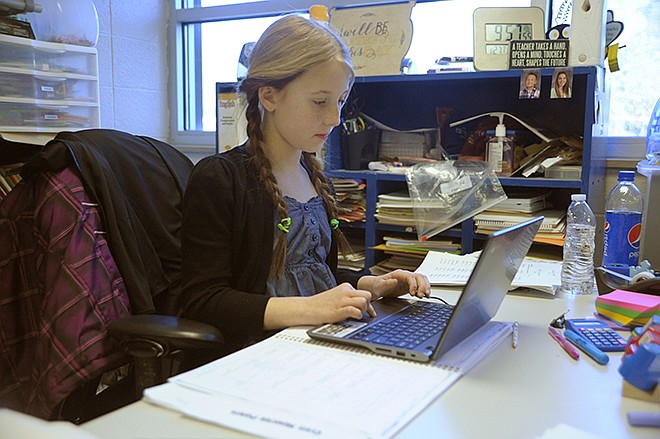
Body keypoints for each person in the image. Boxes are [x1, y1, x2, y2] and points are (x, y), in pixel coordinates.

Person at [179, 15, 431, 353]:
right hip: (256, 355)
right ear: (269, 96)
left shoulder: (314, 177)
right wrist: (313, 309)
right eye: (319, 102)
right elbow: (202, 301)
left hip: (317, 343)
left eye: (340, 100)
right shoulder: (220, 178)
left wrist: (372, 285)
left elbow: (314, 277)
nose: (335, 118)